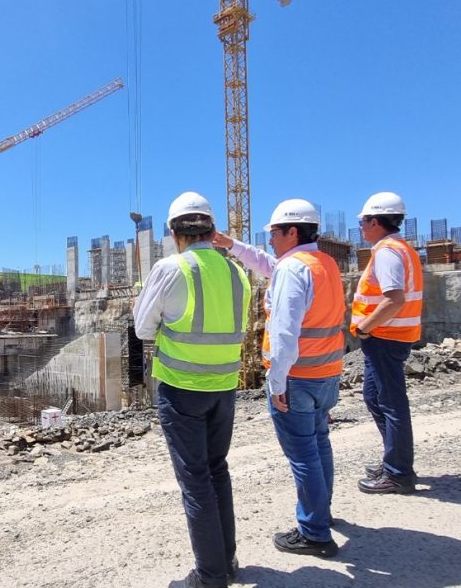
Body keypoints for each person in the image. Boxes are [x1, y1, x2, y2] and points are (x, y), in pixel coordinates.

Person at [214, 199, 344, 558]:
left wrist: (277, 383)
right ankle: (322, 512)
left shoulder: (293, 270)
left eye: (273, 232)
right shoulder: (322, 264)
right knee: (319, 444)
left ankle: (315, 532)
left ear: (292, 231)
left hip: (297, 377)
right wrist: (232, 245)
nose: (269, 238)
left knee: (303, 454)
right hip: (327, 373)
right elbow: (269, 266)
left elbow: (285, 334)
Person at [134, 191, 250, 588]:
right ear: (213, 230)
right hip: (225, 388)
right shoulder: (238, 273)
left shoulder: (171, 269)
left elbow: (142, 329)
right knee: (217, 471)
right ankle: (227, 560)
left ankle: (210, 576)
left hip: (182, 390)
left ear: (173, 232)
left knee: (195, 480)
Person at [351, 191, 423, 494]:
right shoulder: (400, 249)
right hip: (389, 337)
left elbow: (394, 299)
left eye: (363, 221)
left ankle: (398, 473)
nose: (361, 227)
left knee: (392, 405)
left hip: (385, 338)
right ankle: (393, 459)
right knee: (375, 398)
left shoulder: (387, 252)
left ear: (376, 221)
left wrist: (365, 328)